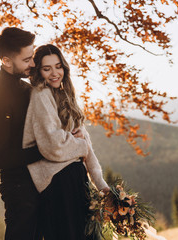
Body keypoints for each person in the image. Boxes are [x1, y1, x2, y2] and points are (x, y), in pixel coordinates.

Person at [23, 44, 110, 240]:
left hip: (75, 179)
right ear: (39, 71)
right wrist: (79, 144)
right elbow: (52, 145)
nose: (55, 73)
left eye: (58, 66)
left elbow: (84, 140)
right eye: (47, 69)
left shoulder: (65, 95)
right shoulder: (40, 95)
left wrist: (100, 183)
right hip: (57, 183)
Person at [0, 27, 44, 240]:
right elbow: (0, 158)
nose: (33, 64)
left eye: (33, 57)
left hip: (39, 182)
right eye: (27, 60)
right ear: (7, 61)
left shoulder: (27, 88)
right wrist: (46, 150)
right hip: (19, 191)